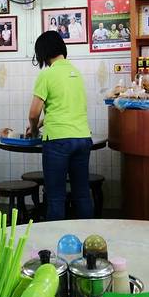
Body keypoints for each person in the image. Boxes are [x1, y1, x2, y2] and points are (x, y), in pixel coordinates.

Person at [27, 31, 93, 221]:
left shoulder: (47, 75)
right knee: (82, 193)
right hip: (82, 138)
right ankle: (89, 235)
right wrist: (42, 122)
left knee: (56, 196)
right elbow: (63, 108)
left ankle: (56, 237)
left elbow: (33, 114)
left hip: (57, 142)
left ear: (43, 52)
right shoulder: (76, 73)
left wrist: (34, 129)